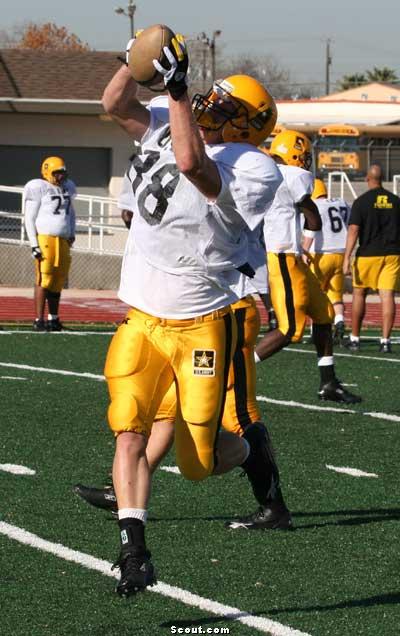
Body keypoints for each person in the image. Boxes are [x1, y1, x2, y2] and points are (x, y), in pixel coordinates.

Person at [100, 33, 282, 598]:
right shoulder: (168, 113)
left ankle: (253, 450)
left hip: (204, 320)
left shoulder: (256, 168)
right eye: (211, 99)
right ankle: (134, 551)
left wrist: (176, 89)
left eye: (225, 109)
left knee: (200, 461)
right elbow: (114, 105)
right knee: (126, 428)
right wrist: (135, 59)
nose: (209, 108)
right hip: (144, 316)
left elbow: (192, 165)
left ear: (249, 127)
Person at [255, 130, 361, 404]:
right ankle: (235, 371)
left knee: (325, 314)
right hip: (284, 256)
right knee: (290, 329)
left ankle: (328, 383)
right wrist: (309, 235)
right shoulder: (293, 175)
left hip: (287, 256)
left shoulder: (265, 170)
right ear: (296, 154)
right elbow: (313, 218)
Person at [343, 164, 400, 353]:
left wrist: (346, 257)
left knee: (359, 294)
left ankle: (355, 338)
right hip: (392, 254)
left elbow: (353, 229)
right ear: (382, 178)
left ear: (368, 178)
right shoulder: (396, 201)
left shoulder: (361, 201)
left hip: (368, 254)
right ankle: (385, 341)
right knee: (387, 296)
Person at [23, 156, 76, 331]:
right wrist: (34, 244)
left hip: (62, 240)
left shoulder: (67, 188)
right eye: (57, 173)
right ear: (47, 171)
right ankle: (39, 320)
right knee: (44, 279)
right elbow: (29, 218)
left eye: (62, 172)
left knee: (58, 281)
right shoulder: (39, 187)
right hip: (45, 239)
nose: (60, 176)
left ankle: (53, 319)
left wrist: (72, 232)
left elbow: (71, 214)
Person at [303, 178, 350, 344]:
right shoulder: (342, 202)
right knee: (336, 294)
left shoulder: (313, 205)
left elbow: (311, 229)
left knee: (315, 295)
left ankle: (316, 332)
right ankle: (339, 320)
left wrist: (304, 252)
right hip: (340, 253)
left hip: (321, 255)